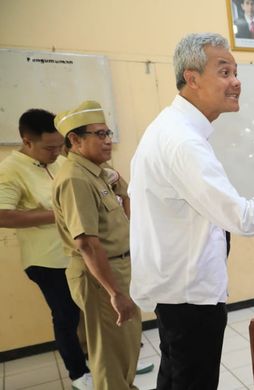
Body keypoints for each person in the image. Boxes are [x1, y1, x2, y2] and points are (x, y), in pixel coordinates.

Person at [128, 32, 254, 389]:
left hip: (176, 290)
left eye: (236, 72)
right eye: (224, 72)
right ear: (192, 78)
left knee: (177, 376)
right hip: (189, 297)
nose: (236, 82)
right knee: (192, 380)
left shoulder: (173, 128)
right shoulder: (182, 142)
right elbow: (245, 218)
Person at [51, 100, 142, 389]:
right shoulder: (76, 179)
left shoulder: (96, 173)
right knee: (110, 355)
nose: (108, 141)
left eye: (108, 133)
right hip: (101, 277)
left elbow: (126, 205)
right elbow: (87, 244)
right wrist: (114, 291)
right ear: (75, 140)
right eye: (100, 135)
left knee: (126, 347)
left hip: (118, 268)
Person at [0, 109, 92, 387]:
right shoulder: (10, 170)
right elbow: (3, 215)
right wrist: (58, 214)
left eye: (59, 145)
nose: (57, 152)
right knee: (65, 316)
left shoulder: (59, 161)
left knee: (95, 310)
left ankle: (107, 361)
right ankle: (79, 374)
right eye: (49, 147)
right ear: (27, 142)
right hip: (47, 261)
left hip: (77, 253)